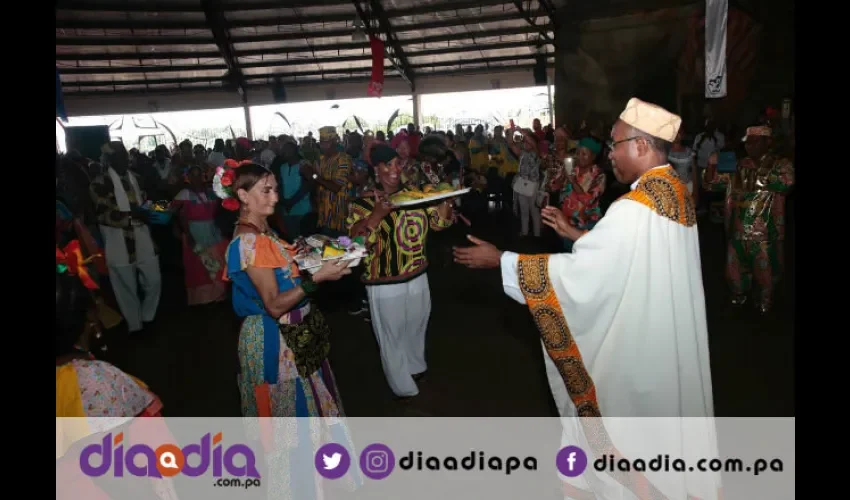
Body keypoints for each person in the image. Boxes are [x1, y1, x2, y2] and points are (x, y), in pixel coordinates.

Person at [454, 98, 719, 500]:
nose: (609, 153)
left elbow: (583, 278)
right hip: (658, 334)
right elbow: (628, 258)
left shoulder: (634, 208)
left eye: (616, 144)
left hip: (630, 352)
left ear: (642, 147)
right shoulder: (674, 193)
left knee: (611, 439)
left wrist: (502, 261)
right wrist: (579, 235)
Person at [215, 160, 351, 417]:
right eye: (266, 190)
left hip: (293, 334)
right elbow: (275, 304)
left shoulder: (262, 232)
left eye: (276, 189)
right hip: (276, 340)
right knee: (293, 419)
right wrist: (317, 279)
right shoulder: (249, 242)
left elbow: (281, 270)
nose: (275, 197)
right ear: (243, 196)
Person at [346, 145, 454, 399]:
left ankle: (416, 368)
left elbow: (438, 224)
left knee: (417, 326)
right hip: (384, 280)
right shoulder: (362, 202)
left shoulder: (414, 195)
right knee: (391, 336)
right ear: (376, 168)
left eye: (397, 164)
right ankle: (403, 387)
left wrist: (446, 200)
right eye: (387, 165)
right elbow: (356, 243)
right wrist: (377, 215)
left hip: (418, 274)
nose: (394, 170)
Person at [704, 126, 794, 314]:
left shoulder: (780, 165)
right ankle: (738, 298)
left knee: (766, 276)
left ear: (767, 142)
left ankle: (765, 304)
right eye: (747, 142)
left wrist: (752, 169)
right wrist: (712, 165)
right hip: (737, 231)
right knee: (733, 274)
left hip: (765, 234)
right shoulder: (737, 165)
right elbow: (712, 184)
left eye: (755, 141)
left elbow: (786, 183)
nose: (749, 146)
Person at [89, 141, 161, 333]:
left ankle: (148, 316)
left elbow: (145, 203)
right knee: (125, 286)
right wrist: (133, 215)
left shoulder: (136, 178)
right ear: (109, 160)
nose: (124, 159)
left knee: (154, 280)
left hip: (142, 235)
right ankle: (135, 326)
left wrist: (157, 209)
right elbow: (103, 215)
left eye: (124, 155)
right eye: (119, 156)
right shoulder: (99, 183)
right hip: (118, 240)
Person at [172, 165, 228, 306]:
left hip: (213, 232)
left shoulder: (210, 192)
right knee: (200, 266)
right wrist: (183, 231)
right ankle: (202, 298)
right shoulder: (184, 193)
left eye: (199, 175)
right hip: (194, 232)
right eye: (193, 175)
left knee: (217, 263)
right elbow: (172, 210)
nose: (196, 178)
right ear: (188, 178)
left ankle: (218, 295)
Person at [556, 137, 606, 252]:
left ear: (593, 156)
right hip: (566, 220)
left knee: (579, 253)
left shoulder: (599, 175)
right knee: (566, 253)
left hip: (585, 223)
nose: (579, 156)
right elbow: (555, 187)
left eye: (584, 154)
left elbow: (589, 201)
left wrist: (573, 181)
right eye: (578, 152)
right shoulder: (573, 169)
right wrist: (562, 175)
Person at [301, 126, 352, 237]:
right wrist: (307, 174)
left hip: (339, 216)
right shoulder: (321, 160)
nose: (323, 145)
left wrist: (314, 176)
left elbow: (336, 187)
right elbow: (316, 182)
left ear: (334, 141)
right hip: (324, 215)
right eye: (321, 142)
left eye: (326, 142)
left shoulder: (343, 159)